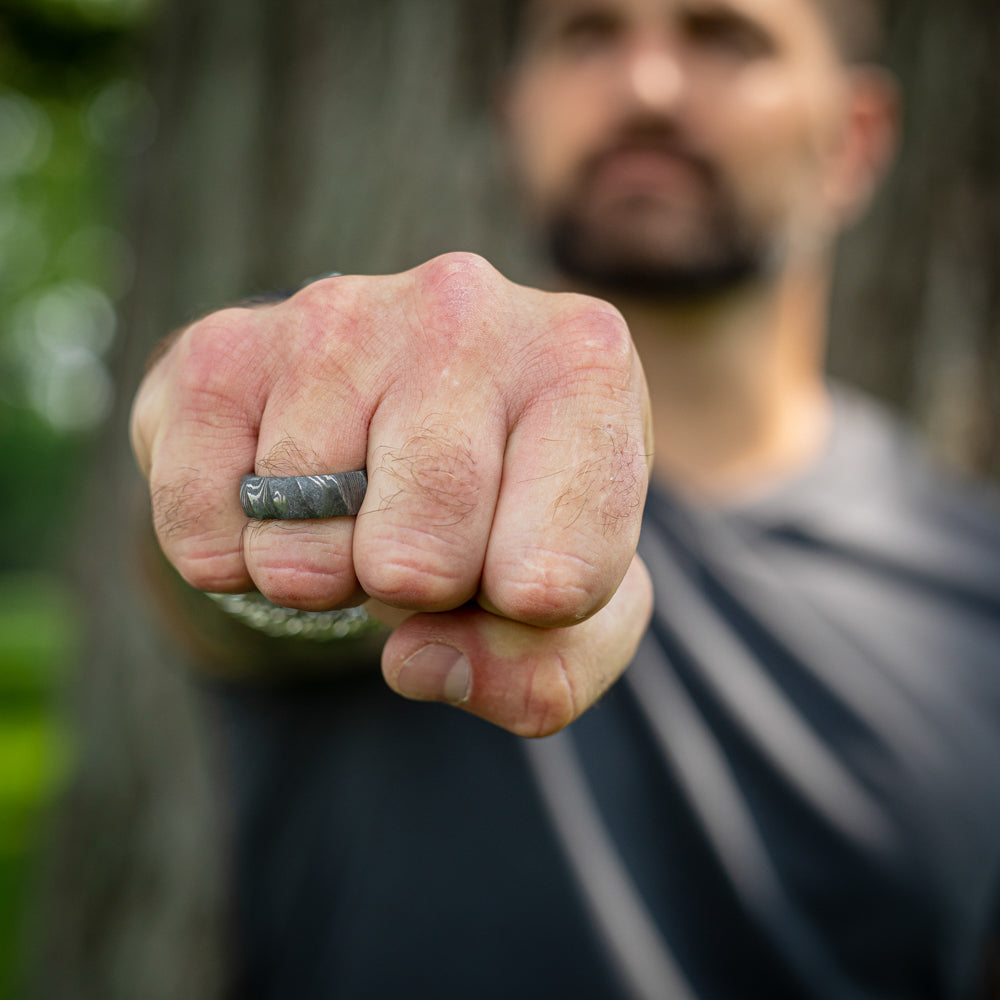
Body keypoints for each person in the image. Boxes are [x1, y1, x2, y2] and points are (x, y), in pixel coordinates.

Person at [130, 0, 1000, 997]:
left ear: (855, 137)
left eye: (726, 38)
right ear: (515, 112)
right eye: (589, 35)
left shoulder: (978, 591)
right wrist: (220, 421)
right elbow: (226, 598)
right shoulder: (389, 445)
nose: (647, 87)